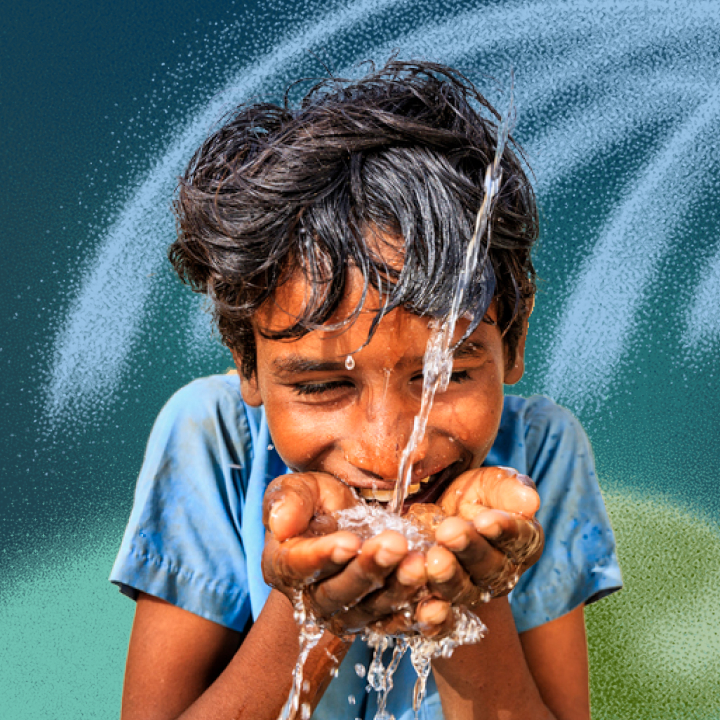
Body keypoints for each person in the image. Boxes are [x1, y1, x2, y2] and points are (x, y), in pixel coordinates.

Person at [111, 59, 622, 720]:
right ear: (248, 363)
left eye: (444, 376)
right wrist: (311, 610)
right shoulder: (213, 442)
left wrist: (470, 599)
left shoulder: (542, 457)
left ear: (514, 344)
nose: (388, 452)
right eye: (323, 386)